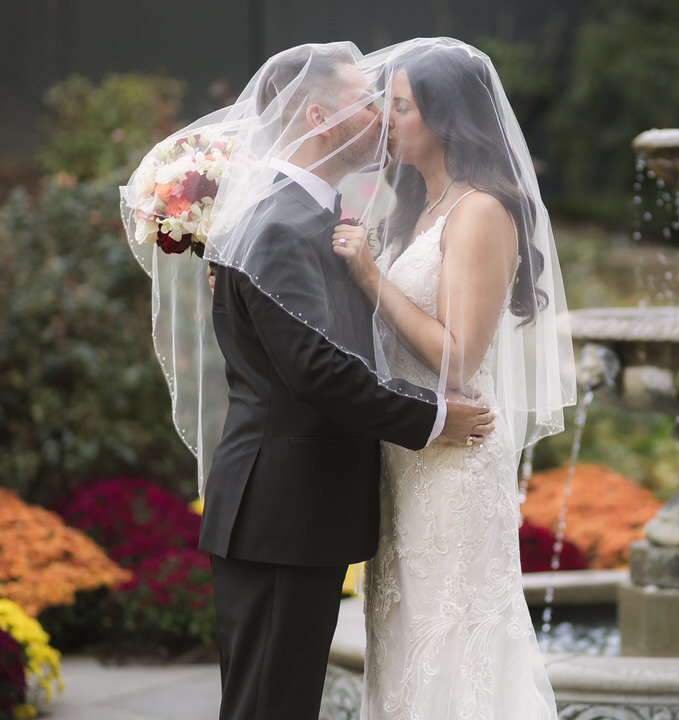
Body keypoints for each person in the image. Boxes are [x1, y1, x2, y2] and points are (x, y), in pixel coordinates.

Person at [122, 42, 496, 720]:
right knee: (269, 705)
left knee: (277, 701)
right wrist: (435, 417)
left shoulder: (310, 217)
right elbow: (316, 368)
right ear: (320, 117)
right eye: (366, 104)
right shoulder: (281, 224)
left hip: (296, 513)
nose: (383, 117)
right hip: (281, 513)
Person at [330, 38, 575, 719]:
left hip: (456, 462)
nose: (389, 120)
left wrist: (371, 276)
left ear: (445, 119)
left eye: (402, 107)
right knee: (405, 634)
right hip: (407, 452)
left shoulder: (480, 211)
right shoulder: (416, 212)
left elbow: (460, 356)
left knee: (456, 636)